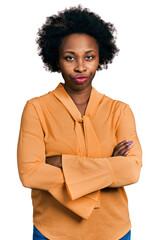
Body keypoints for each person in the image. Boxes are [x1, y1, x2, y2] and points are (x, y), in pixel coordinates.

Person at [17, 5, 142, 240]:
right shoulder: (36, 109)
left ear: (100, 58)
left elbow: (132, 170)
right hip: (53, 231)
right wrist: (109, 166)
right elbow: (30, 174)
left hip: (113, 231)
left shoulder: (119, 111)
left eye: (90, 57)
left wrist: (60, 161)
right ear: (56, 59)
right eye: (70, 57)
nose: (81, 67)